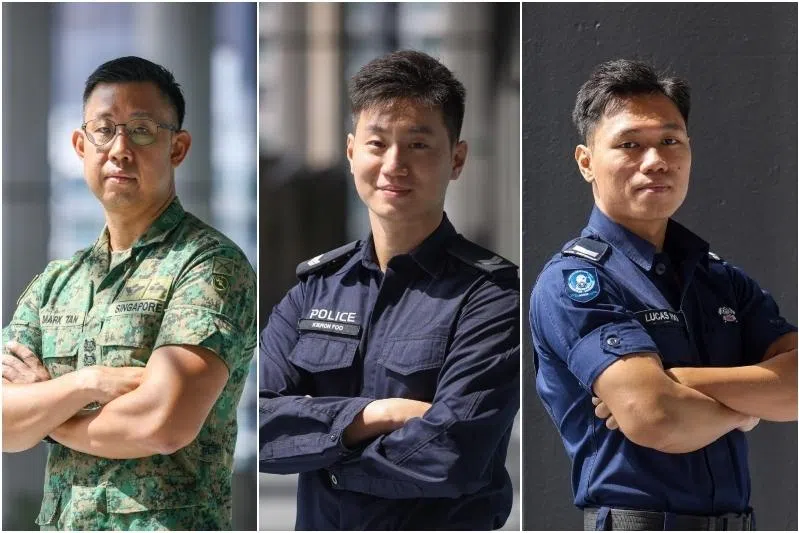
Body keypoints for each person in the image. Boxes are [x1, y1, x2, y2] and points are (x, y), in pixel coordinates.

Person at [529, 58, 797, 531]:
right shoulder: (576, 282)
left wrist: (681, 378)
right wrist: (748, 410)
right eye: (630, 144)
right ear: (586, 161)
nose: (655, 161)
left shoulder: (721, 278)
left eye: (670, 141)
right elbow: (656, 417)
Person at [259, 50, 520, 530]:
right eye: (378, 143)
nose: (394, 164)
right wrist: (379, 414)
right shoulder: (315, 289)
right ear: (351, 151)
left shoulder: (491, 296)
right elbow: (258, 428)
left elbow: (452, 453)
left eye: (418, 145)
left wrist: (325, 456)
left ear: (457, 158)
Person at [2, 56, 256, 530]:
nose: (119, 148)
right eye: (104, 130)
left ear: (177, 148)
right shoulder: (57, 282)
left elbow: (160, 423)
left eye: (141, 130)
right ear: (81, 145)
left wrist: (43, 409)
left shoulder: (208, 265)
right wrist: (88, 383)